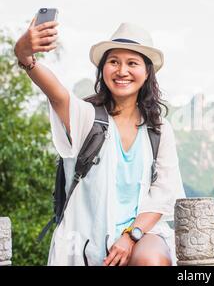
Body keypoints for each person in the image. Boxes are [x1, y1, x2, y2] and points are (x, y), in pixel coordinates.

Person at [14, 19, 186, 266]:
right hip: (86, 240)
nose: (122, 71)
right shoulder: (87, 117)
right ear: (103, 69)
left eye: (132, 63)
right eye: (113, 62)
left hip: (140, 234)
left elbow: (163, 193)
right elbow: (56, 94)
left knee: (153, 260)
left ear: (147, 72)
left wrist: (131, 236)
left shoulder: (158, 129)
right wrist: (25, 56)